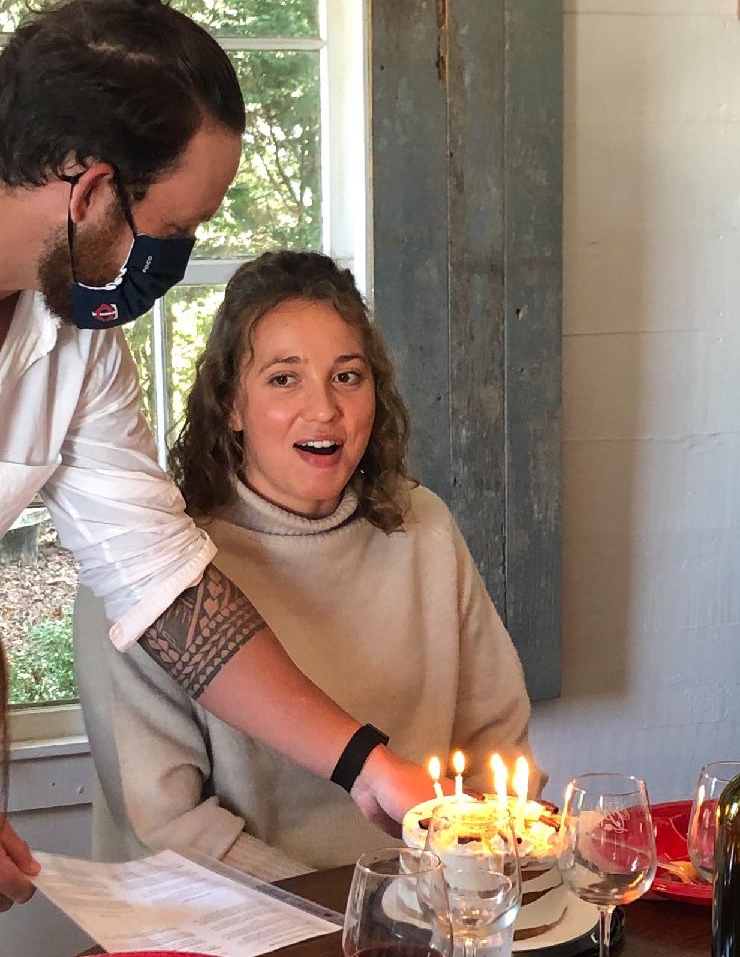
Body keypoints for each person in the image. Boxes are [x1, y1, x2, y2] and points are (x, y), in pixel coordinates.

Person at [0, 0, 436, 913]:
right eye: (173, 231)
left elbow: (164, 585)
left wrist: (363, 764)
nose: (175, 261)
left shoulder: (80, 343)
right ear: (89, 192)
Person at [74, 250, 544, 879]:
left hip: (430, 898)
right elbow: (167, 829)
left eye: (347, 376)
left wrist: (467, 882)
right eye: (283, 379)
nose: (324, 409)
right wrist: (340, 912)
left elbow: (494, 741)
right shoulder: (142, 574)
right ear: (230, 405)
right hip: (248, 913)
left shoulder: (424, 527)